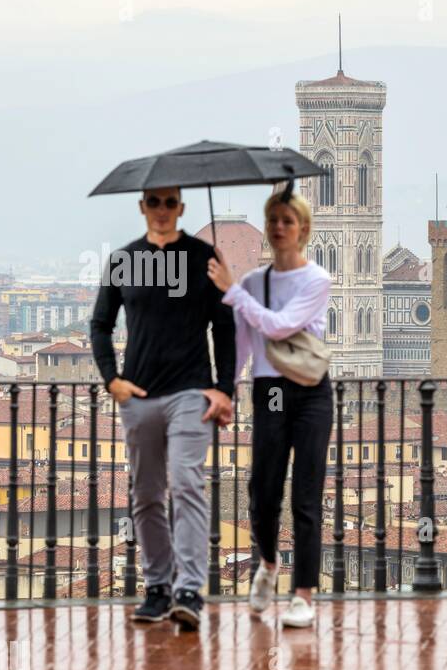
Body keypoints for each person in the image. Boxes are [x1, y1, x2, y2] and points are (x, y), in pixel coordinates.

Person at [90, 187, 235, 631]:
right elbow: (99, 323)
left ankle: (188, 589)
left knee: (187, 483)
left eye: (170, 202)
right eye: (154, 202)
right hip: (140, 397)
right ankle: (157, 588)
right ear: (142, 207)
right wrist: (112, 380)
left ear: (182, 208)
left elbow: (224, 327)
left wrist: (224, 389)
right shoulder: (123, 260)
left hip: (191, 394)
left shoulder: (204, 257)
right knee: (147, 495)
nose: (162, 209)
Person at [207, 189, 332, 629]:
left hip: (311, 392)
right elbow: (243, 345)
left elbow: (279, 326)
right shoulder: (253, 284)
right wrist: (227, 391)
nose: (279, 227)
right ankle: (268, 562)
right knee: (262, 491)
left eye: (288, 220)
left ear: (303, 230)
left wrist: (233, 292)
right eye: (273, 219)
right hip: (270, 392)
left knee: (306, 495)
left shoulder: (317, 280)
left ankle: (302, 596)